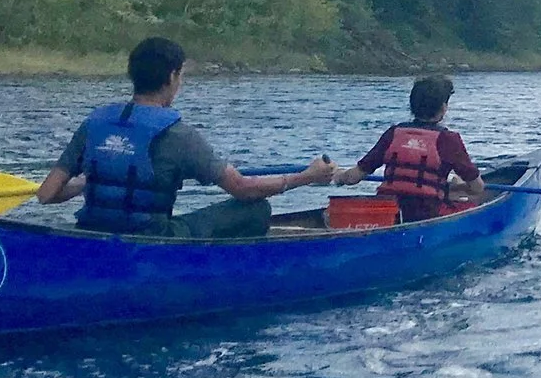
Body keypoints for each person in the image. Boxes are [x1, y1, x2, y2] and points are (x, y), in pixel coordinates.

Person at [35, 36, 329, 239]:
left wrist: (90, 180)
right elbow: (243, 189)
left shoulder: (95, 124)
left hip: (91, 232)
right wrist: (307, 176)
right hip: (151, 239)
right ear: (173, 77)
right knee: (256, 209)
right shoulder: (179, 136)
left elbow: (46, 194)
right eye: (181, 77)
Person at [328, 74, 487, 224]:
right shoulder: (449, 140)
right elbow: (477, 188)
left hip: (389, 211)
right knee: (472, 206)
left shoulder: (394, 134)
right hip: (427, 213)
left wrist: (339, 175)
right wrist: (456, 187)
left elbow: (353, 177)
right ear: (444, 108)